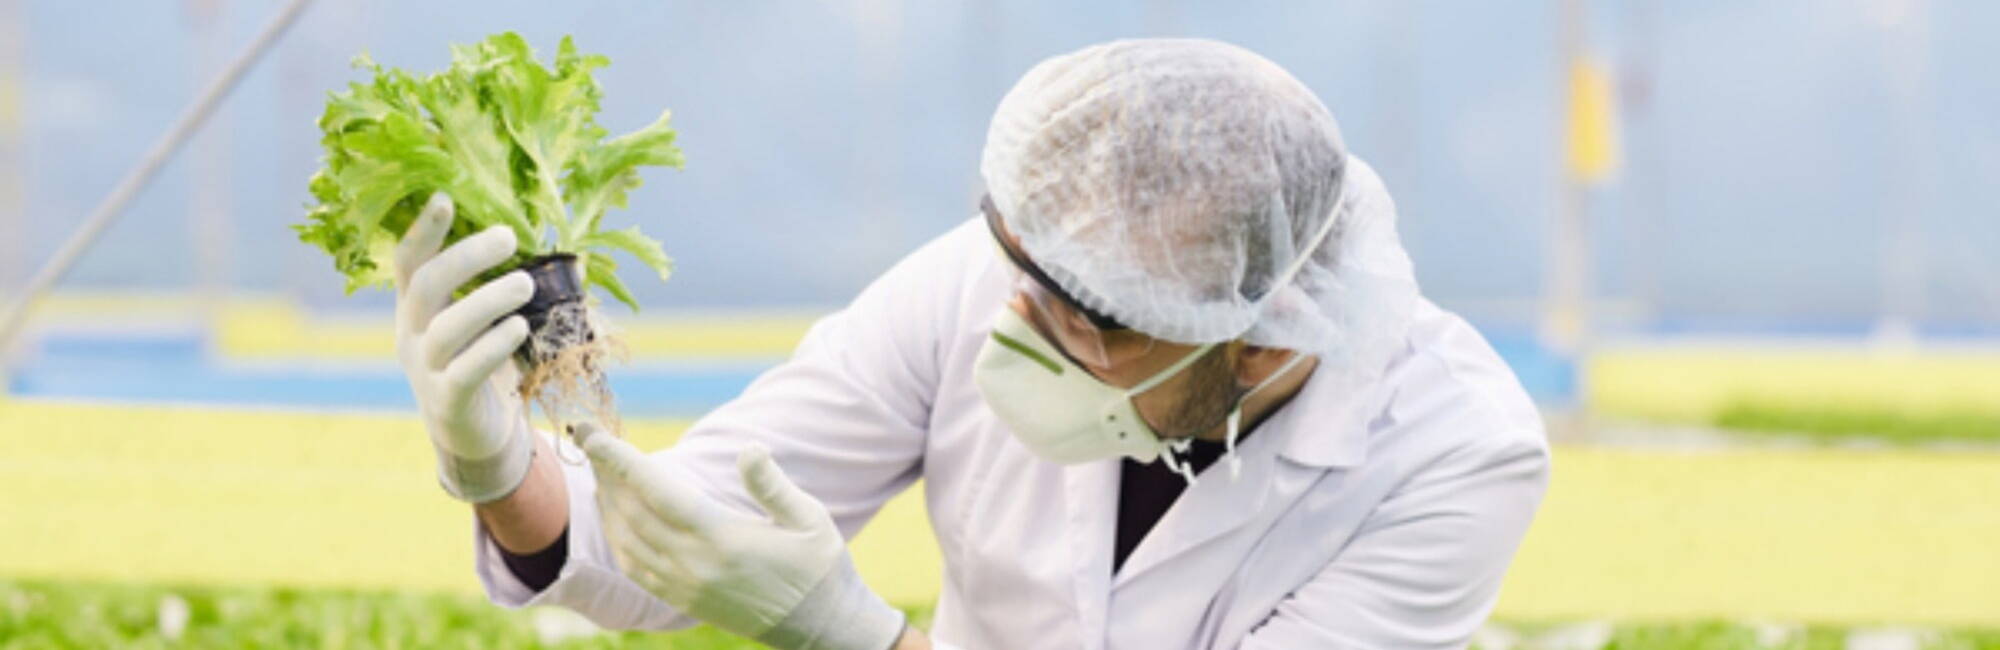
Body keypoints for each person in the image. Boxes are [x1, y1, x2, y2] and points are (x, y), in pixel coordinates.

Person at [394, 38, 1550, 649]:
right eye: (1022, 275)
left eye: (1088, 320)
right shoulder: (993, 272)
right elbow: (667, 532)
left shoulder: (1451, 451)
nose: (1013, 322)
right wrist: (501, 465)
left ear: (1250, 344)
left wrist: (850, 632)